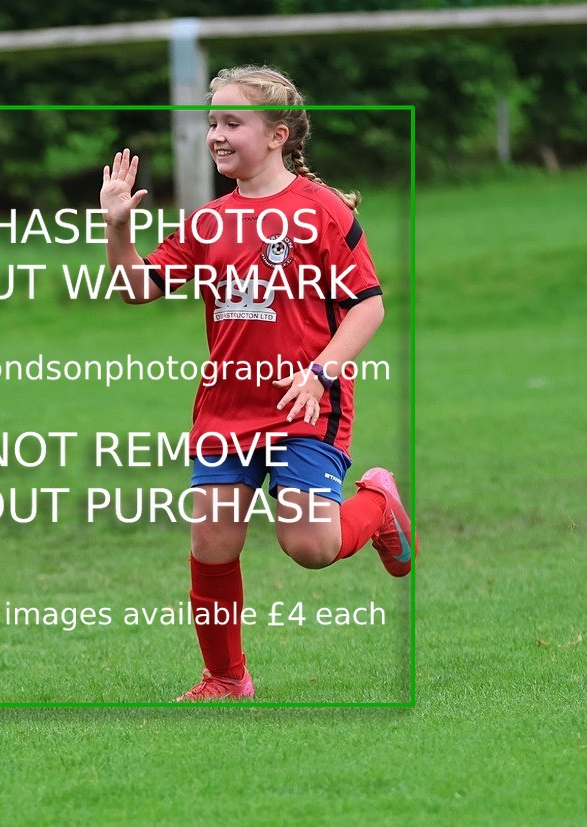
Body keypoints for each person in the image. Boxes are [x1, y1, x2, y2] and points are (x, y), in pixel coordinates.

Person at [99, 65, 418, 701]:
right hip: (226, 410)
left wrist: (321, 372)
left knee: (309, 547)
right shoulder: (210, 221)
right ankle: (225, 677)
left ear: (277, 135)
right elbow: (136, 288)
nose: (216, 135)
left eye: (231, 123)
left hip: (305, 405)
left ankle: (379, 505)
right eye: (211, 122)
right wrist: (116, 230)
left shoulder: (319, 211)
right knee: (213, 539)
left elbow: (369, 305)